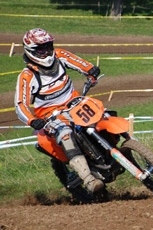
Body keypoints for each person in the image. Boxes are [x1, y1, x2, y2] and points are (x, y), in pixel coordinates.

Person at [15, 28, 104, 194]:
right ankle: (89, 180)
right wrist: (32, 120)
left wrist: (91, 69)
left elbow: (80, 63)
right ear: (31, 51)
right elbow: (20, 104)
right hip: (51, 116)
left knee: (102, 113)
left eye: (48, 46)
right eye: (41, 49)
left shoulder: (60, 55)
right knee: (66, 135)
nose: (47, 51)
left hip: (74, 103)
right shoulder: (27, 76)